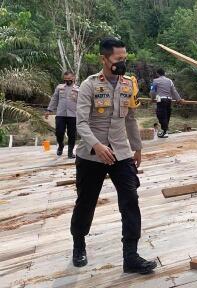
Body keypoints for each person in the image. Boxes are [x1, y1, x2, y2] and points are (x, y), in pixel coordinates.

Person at [71, 37, 156, 274]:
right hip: (91, 156)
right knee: (86, 203)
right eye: (118, 59)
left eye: (124, 59)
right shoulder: (89, 85)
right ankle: (79, 244)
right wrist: (97, 145)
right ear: (104, 59)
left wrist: (137, 148)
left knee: (130, 201)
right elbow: (81, 122)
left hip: (121, 154)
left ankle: (131, 256)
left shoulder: (128, 84)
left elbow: (130, 118)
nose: (122, 63)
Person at [45, 71, 79, 158]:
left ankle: (70, 152)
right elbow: (54, 99)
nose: (67, 80)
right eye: (66, 79)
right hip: (61, 114)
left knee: (72, 134)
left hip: (73, 115)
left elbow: (82, 102)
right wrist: (49, 110)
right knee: (59, 132)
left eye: (69, 79)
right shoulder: (59, 88)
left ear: (73, 78)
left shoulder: (78, 89)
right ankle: (60, 145)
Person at [150, 68, 184, 138]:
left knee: (160, 115)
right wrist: (179, 99)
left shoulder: (155, 81)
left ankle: (165, 132)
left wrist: (152, 98)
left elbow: (152, 91)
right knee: (166, 115)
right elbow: (174, 91)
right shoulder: (170, 81)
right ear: (164, 73)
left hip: (161, 100)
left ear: (157, 74)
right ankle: (164, 131)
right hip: (169, 100)